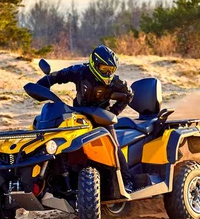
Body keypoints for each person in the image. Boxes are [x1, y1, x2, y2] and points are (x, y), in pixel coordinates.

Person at [36, 45, 135, 192]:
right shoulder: (80, 72)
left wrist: (113, 112)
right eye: (104, 69)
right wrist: (43, 84)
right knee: (60, 141)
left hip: (101, 118)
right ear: (94, 64)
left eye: (111, 70)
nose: (108, 73)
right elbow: (58, 76)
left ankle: (127, 182)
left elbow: (129, 96)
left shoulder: (117, 82)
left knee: (114, 147)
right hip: (78, 115)